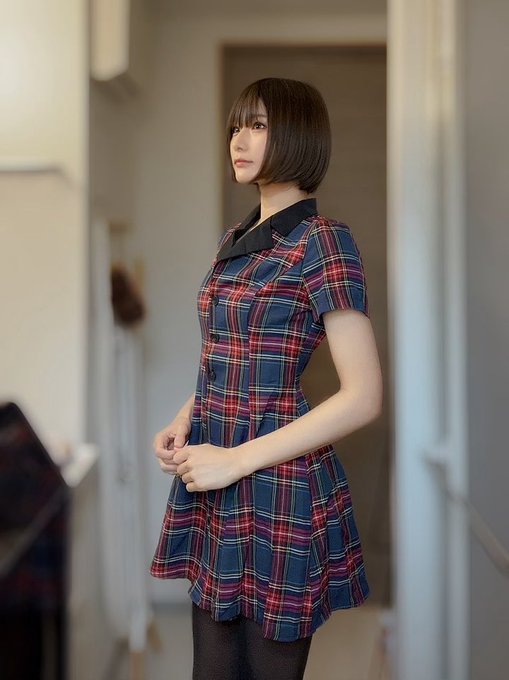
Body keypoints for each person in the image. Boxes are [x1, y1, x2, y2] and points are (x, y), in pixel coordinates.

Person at [150, 77, 383, 680]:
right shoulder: (235, 240)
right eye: (236, 125)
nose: (238, 139)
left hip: (276, 482)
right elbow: (232, 356)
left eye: (257, 125)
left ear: (297, 135)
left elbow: (364, 396)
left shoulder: (323, 241)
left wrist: (235, 460)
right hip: (216, 480)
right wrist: (185, 416)